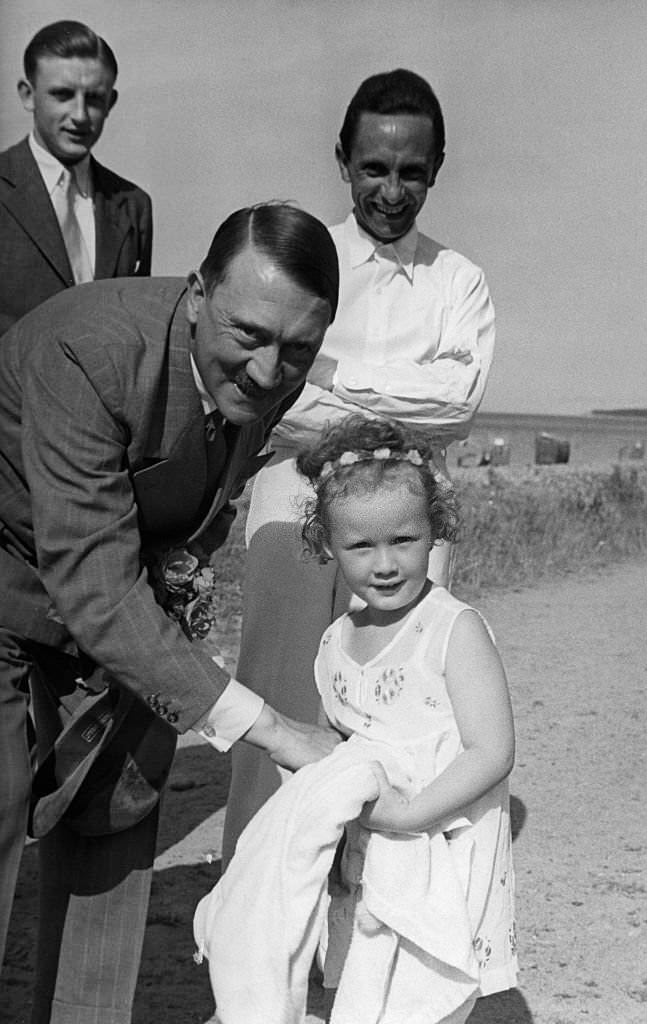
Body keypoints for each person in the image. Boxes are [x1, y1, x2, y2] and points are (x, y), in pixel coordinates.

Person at [0, 202, 340, 1024]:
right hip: (12, 593)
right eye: (250, 336)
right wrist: (274, 729)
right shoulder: (88, 350)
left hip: (116, 592)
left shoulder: (264, 375)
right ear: (196, 292)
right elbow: (94, 585)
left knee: (118, 817)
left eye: (298, 350)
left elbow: (189, 513)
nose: (268, 373)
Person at [223, 68, 496, 861]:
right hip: (290, 508)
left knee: (401, 708)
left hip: (410, 528)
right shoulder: (305, 261)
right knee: (277, 703)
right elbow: (274, 393)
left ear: (436, 167)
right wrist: (394, 409)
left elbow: (458, 405)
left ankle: (367, 918)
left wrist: (334, 380)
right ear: (342, 159)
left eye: (411, 171)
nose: (391, 188)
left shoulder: (459, 282)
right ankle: (256, 901)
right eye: (374, 167)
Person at [194, 413, 517, 1024]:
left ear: (435, 532)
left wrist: (408, 814)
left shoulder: (453, 630)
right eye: (360, 546)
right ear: (327, 546)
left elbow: (491, 750)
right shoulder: (336, 641)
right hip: (365, 850)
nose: (385, 564)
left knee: (424, 990)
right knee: (361, 985)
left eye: (404, 539)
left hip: (440, 841)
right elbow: (327, 751)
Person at [0, 19, 152, 335]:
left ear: (110, 102)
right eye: (62, 94)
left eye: (94, 98)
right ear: (28, 95)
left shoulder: (134, 206)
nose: (80, 115)